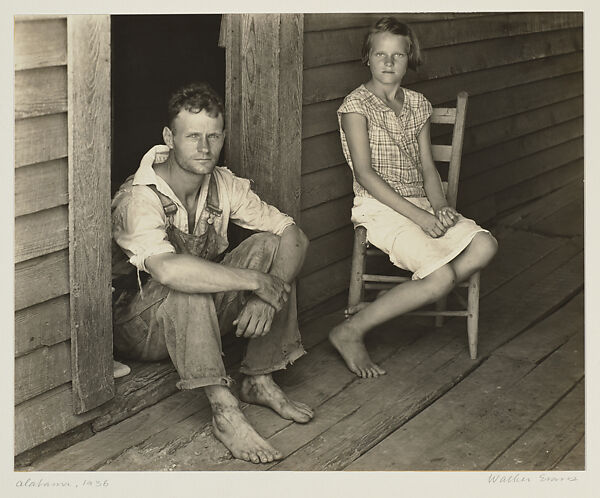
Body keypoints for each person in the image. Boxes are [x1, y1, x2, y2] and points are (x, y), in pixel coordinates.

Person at [111, 82, 314, 464]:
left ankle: (258, 378)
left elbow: (295, 236)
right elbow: (169, 271)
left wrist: (269, 295)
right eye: (192, 136)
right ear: (169, 137)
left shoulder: (223, 183)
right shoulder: (139, 197)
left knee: (271, 245)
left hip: (197, 321)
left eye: (213, 136)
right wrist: (257, 283)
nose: (204, 148)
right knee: (186, 281)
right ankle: (224, 410)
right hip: (140, 326)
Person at [330, 17, 498, 379]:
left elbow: (426, 169)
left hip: (421, 203)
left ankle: (400, 298)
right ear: (368, 57)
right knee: (439, 280)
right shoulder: (356, 106)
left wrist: (439, 207)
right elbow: (365, 174)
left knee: (485, 245)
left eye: (398, 55)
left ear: (410, 59)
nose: (389, 63)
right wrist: (422, 219)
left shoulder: (418, 104)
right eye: (380, 54)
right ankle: (351, 330)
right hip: (378, 208)